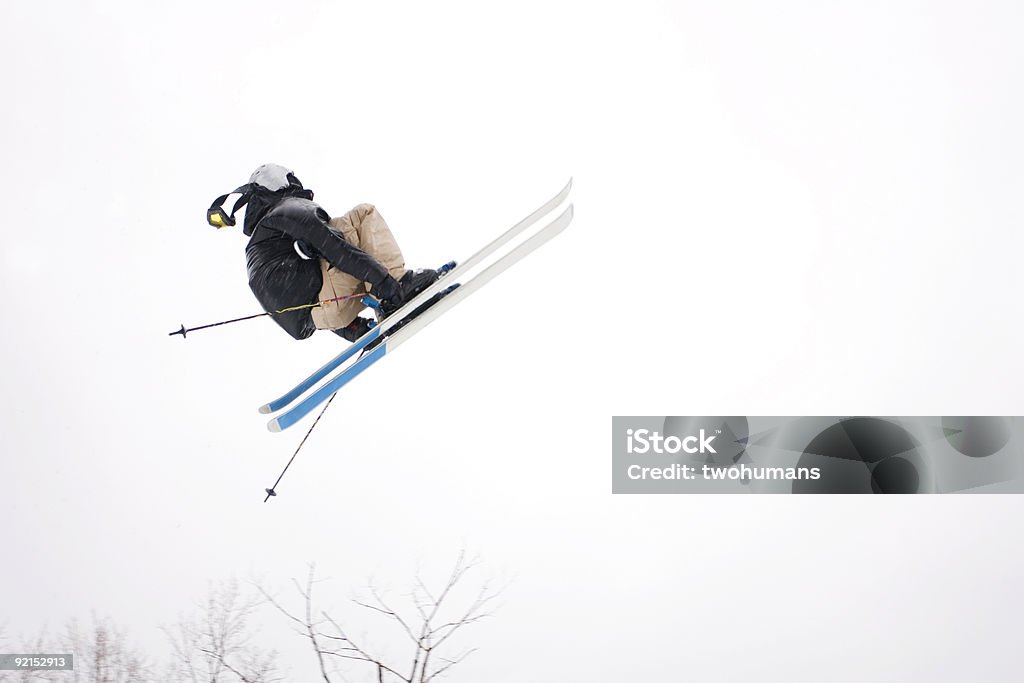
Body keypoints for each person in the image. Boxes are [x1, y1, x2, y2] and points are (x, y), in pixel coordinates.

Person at [206, 164, 442, 342]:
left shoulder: (261, 242)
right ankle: (398, 287)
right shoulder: (286, 209)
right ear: (281, 183)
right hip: (334, 299)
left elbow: (291, 295)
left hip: (322, 317)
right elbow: (335, 247)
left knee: (330, 252)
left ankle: (378, 304)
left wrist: (352, 328)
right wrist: (387, 284)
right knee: (359, 216)